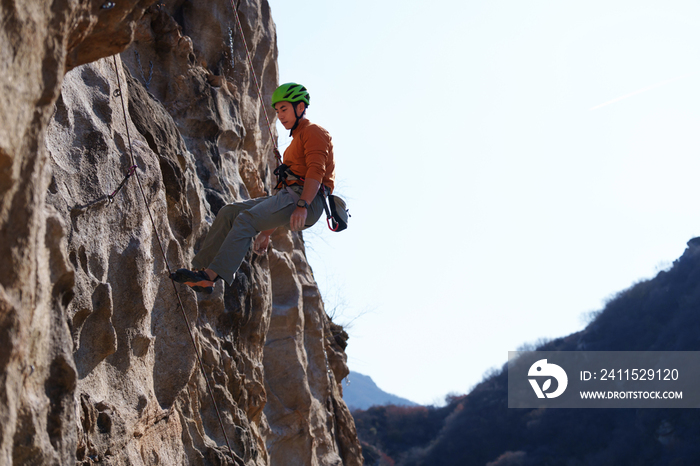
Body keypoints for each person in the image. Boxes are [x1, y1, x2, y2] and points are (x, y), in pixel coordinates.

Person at [170, 82, 335, 293]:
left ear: (300, 108)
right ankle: (200, 270)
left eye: (284, 109)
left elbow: (316, 171)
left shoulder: (314, 132)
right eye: (277, 111)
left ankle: (208, 278)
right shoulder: (295, 141)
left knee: (245, 219)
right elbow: (280, 202)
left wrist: (303, 205)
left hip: (308, 201)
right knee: (229, 212)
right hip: (293, 197)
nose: (280, 115)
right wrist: (266, 232)